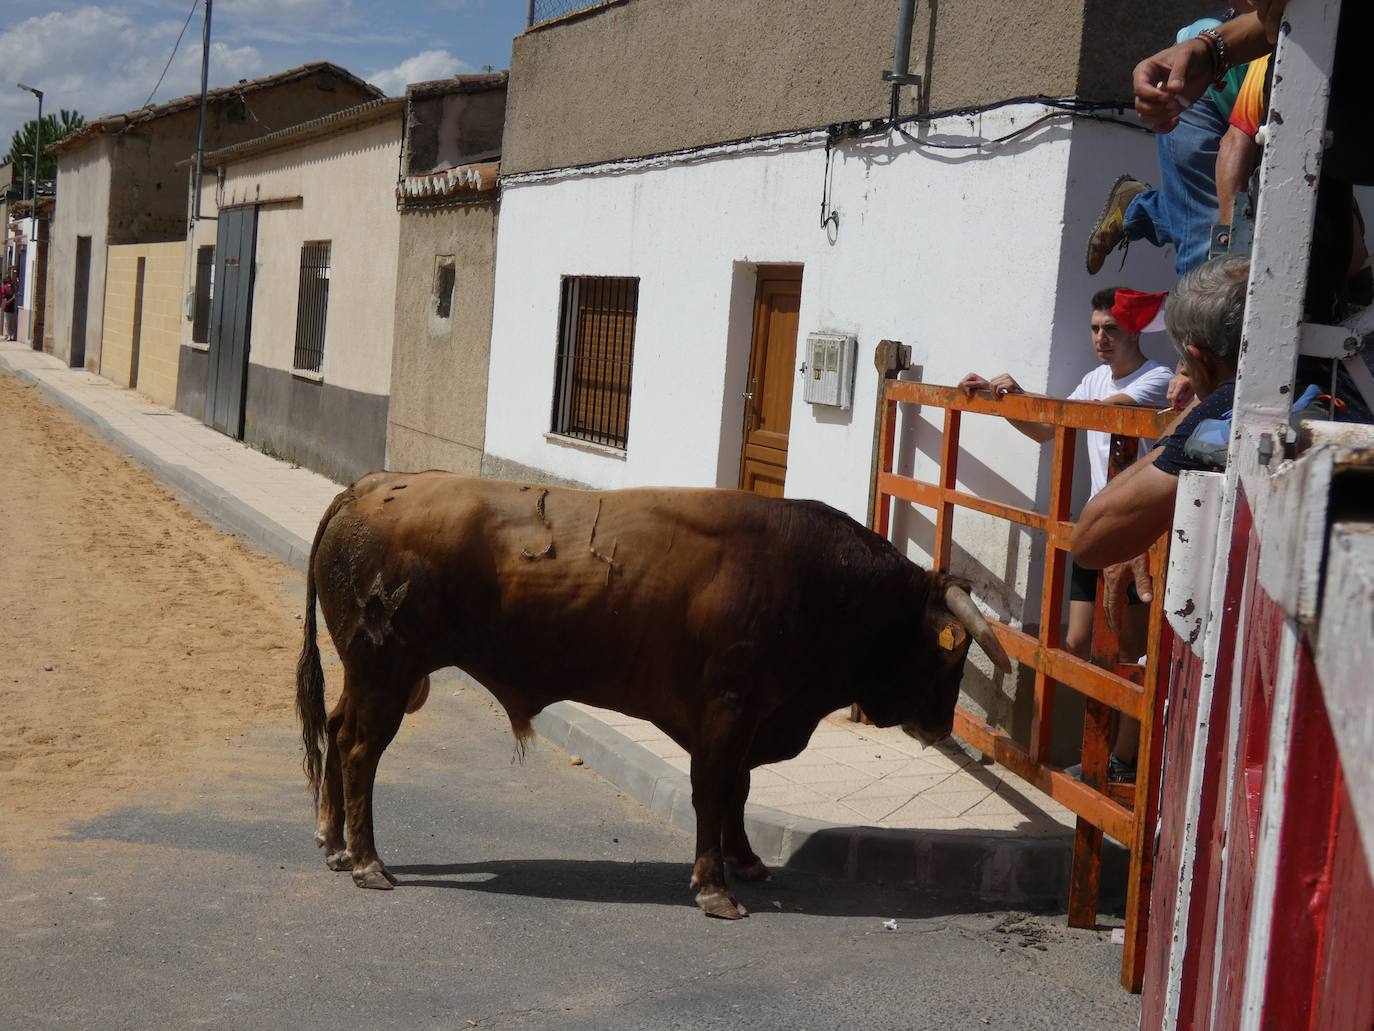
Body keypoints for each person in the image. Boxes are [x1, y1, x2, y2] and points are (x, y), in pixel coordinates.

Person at [1072, 255, 1370, 578]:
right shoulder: (1347, 366)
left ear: (1199, 360)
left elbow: (1089, 542)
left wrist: (1194, 416)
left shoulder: (1229, 408)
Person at [960, 287, 1173, 660]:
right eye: (1094, 329)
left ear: (1135, 331)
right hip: (1097, 525)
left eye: (1111, 328)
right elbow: (1047, 430)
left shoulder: (1158, 377)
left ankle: (1123, 720)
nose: (1100, 338)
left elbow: (1100, 412)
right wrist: (1005, 400)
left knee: (1128, 653)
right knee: (1076, 644)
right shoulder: (1095, 378)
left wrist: (1024, 394)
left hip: (1137, 532)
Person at [1086, 5, 1256, 278]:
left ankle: (1135, 208)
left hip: (1235, 88)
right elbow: (1237, 143)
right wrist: (1233, 256)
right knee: (1210, 250)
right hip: (1200, 91)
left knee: (1241, 220)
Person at [1, 273, 17, 342]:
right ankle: (8, 336)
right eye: (8, 287)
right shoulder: (5, 295)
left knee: (12, 324)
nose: (9, 288)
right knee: (7, 324)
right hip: (7, 310)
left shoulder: (12, 293)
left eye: (10, 287)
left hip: (12, 310)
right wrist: (13, 298)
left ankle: (11, 336)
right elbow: (6, 303)